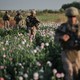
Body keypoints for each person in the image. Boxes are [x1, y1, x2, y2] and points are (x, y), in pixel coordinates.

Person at [54, 7, 80, 80]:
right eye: (70, 17)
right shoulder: (63, 27)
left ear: (76, 16)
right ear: (67, 17)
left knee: (76, 72)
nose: (72, 19)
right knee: (69, 70)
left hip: (77, 53)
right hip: (66, 52)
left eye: (73, 16)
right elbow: (55, 39)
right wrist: (61, 37)